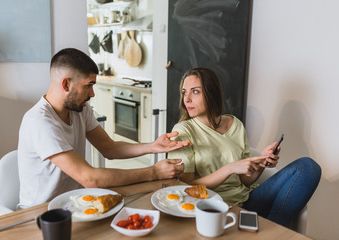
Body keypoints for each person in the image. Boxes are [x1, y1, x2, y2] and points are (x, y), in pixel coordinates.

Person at [17, 48, 191, 209]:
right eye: (89, 85)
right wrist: (153, 172)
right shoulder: (39, 122)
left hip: (74, 203)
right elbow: (90, 179)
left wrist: (151, 147)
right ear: (66, 85)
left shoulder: (80, 110)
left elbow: (109, 148)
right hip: (39, 213)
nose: (92, 94)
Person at [167, 67, 321, 227]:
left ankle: (271, 231)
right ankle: (271, 230)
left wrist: (262, 162)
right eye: (185, 92)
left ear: (211, 92)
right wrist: (229, 168)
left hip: (249, 201)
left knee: (308, 167)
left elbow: (245, 180)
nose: (187, 99)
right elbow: (186, 187)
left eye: (195, 92)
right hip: (216, 207)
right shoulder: (183, 131)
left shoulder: (235, 125)